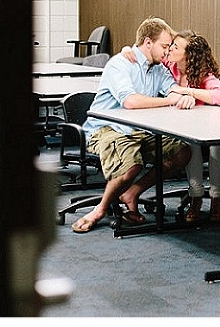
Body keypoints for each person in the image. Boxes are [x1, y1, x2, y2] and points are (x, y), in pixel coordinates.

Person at [70, 17, 194, 233]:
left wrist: (185, 96)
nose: (167, 52)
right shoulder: (120, 64)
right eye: (164, 46)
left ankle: (132, 192)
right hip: (106, 127)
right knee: (131, 165)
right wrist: (170, 100)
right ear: (148, 43)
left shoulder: (159, 69)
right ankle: (100, 209)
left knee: (182, 152)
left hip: (140, 129)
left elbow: (172, 89)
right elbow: (131, 101)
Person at [121, 30, 220, 222]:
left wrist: (187, 91)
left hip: (206, 129)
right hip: (174, 128)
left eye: (175, 47)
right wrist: (127, 50)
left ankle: (216, 198)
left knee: (217, 146)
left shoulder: (204, 75)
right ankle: (196, 197)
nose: (170, 49)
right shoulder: (168, 66)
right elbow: (143, 56)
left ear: (189, 55)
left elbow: (219, 96)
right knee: (189, 145)